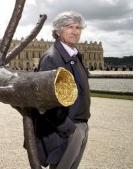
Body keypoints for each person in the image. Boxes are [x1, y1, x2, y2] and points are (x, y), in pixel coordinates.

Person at [33, 10, 91, 169]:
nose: (75, 31)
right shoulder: (52, 58)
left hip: (81, 125)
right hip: (68, 128)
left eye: (78, 27)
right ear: (58, 31)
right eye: (69, 27)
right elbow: (44, 100)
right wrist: (68, 128)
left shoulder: (74, 55)